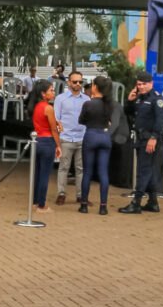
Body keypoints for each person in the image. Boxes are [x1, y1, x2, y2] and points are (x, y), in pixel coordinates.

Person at [119, 71, 163, 214]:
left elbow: (162, 120)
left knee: (143, 170)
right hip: (141, 138)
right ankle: (153, 202)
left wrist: (154, 138)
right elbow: (129, 112)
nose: (140, 87)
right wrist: (130, 101)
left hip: (150, 139)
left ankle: (136, 202)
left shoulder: (157, 99)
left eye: (143, 84)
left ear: (151, 84)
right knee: (149, 171)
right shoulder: (140, 98)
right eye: (138, 84)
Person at [78, 75, 114, 215]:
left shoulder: (88, 104)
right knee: (103, 172)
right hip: (105, 136)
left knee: (87, 172)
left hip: (91, 134)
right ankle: (103, 206)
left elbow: (81, 120)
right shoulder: (109, 104)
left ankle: (84, 205)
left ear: (95, 87)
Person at [53, 69, 86, 204]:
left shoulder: (87, 99)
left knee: (81, 168)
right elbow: (56, 118)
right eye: (75, 81)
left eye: (80, 82)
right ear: (68, 82)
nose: (78, 84)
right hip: (66, 138)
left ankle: (81, 195)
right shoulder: (60, 99)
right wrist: (58, 137)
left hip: (82, 138)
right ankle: (61, 193)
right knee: (63, 167)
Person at [30, 80, 61, 211]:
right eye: (51, 90)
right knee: (44, 175)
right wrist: (58, 145)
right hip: (47, 142)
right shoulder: (48, 108)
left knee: (37, 173)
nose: (53, 92)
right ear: (43, 93)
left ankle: (35, 201)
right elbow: (53, 129)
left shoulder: (37, 106)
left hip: (37, 141)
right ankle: (41, 205)